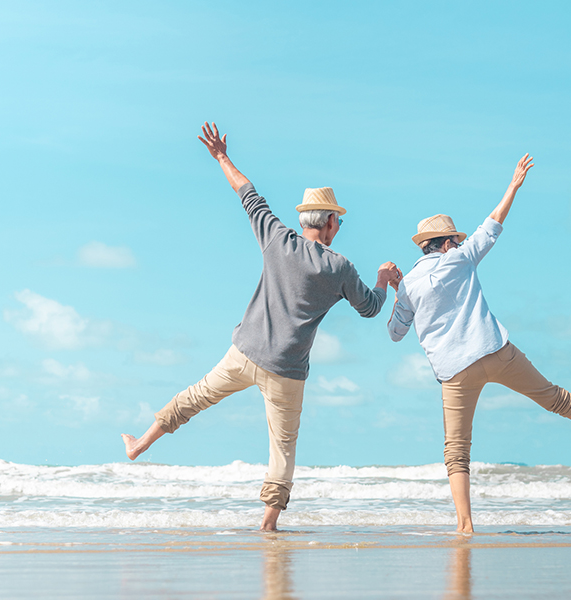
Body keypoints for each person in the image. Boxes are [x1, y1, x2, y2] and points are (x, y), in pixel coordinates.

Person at [122, 122, 400, 531]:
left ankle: (140, 444)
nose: (338, 227)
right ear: (327, 223)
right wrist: (382, 278)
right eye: (337, 221)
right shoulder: (339, 267)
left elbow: (247, 194)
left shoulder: (277, 238)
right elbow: (372, 309)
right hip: (287, 369)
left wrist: (220, 156)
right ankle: (268, 523)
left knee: (194, 397)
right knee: (283, 449)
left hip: (245, 351)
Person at [386, 154, 571, 533]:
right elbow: (492, 225)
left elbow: (395, 332)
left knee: (457, 453)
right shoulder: (461, 258)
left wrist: (392, 286)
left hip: (454, 372)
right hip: (494, 351)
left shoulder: (410, 285)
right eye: (456, 239)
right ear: (447, 243)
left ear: (425, 247)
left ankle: (465, 526)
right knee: (554, 398)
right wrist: (513, 185)